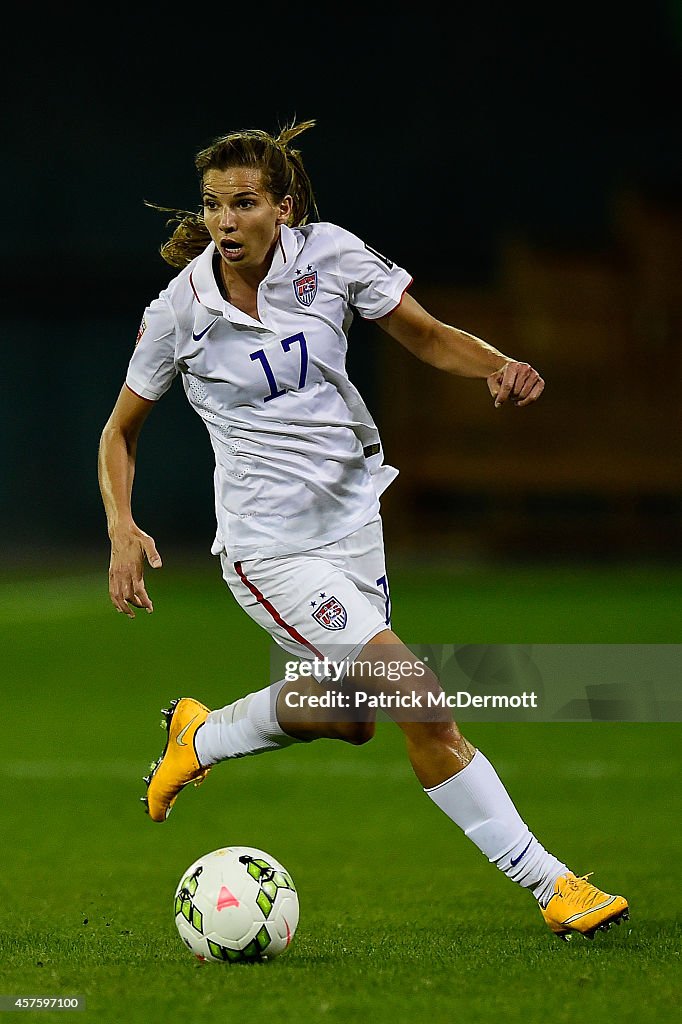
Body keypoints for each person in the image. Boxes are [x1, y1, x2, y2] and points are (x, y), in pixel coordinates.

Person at [98, 119, 628, 941]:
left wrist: (499, 364)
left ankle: (201, 736)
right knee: (421, 698)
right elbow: (119, 430)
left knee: (351, 716)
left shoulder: (332, 257)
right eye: (212, 206)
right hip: (270, 551)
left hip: (354, 524)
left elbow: (421, 332)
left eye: (244, 203)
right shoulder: (180, 311)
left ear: (285, 205)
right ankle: (552, 883)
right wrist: (122, 526)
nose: (225, 221)